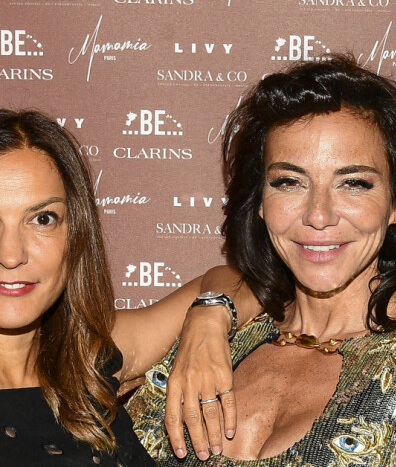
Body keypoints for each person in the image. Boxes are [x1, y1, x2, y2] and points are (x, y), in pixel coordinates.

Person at [127, 54, 396, 465]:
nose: (318, 215)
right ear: (260, 203)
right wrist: (210, 313)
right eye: (289, 182)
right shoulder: (218, 336)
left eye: (353, 183)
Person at [0, 109, 238, 465]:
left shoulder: (87, 356)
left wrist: (208, 322)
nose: (11, 254)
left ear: (75, 233)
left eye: (42, 219)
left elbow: (238, 280)